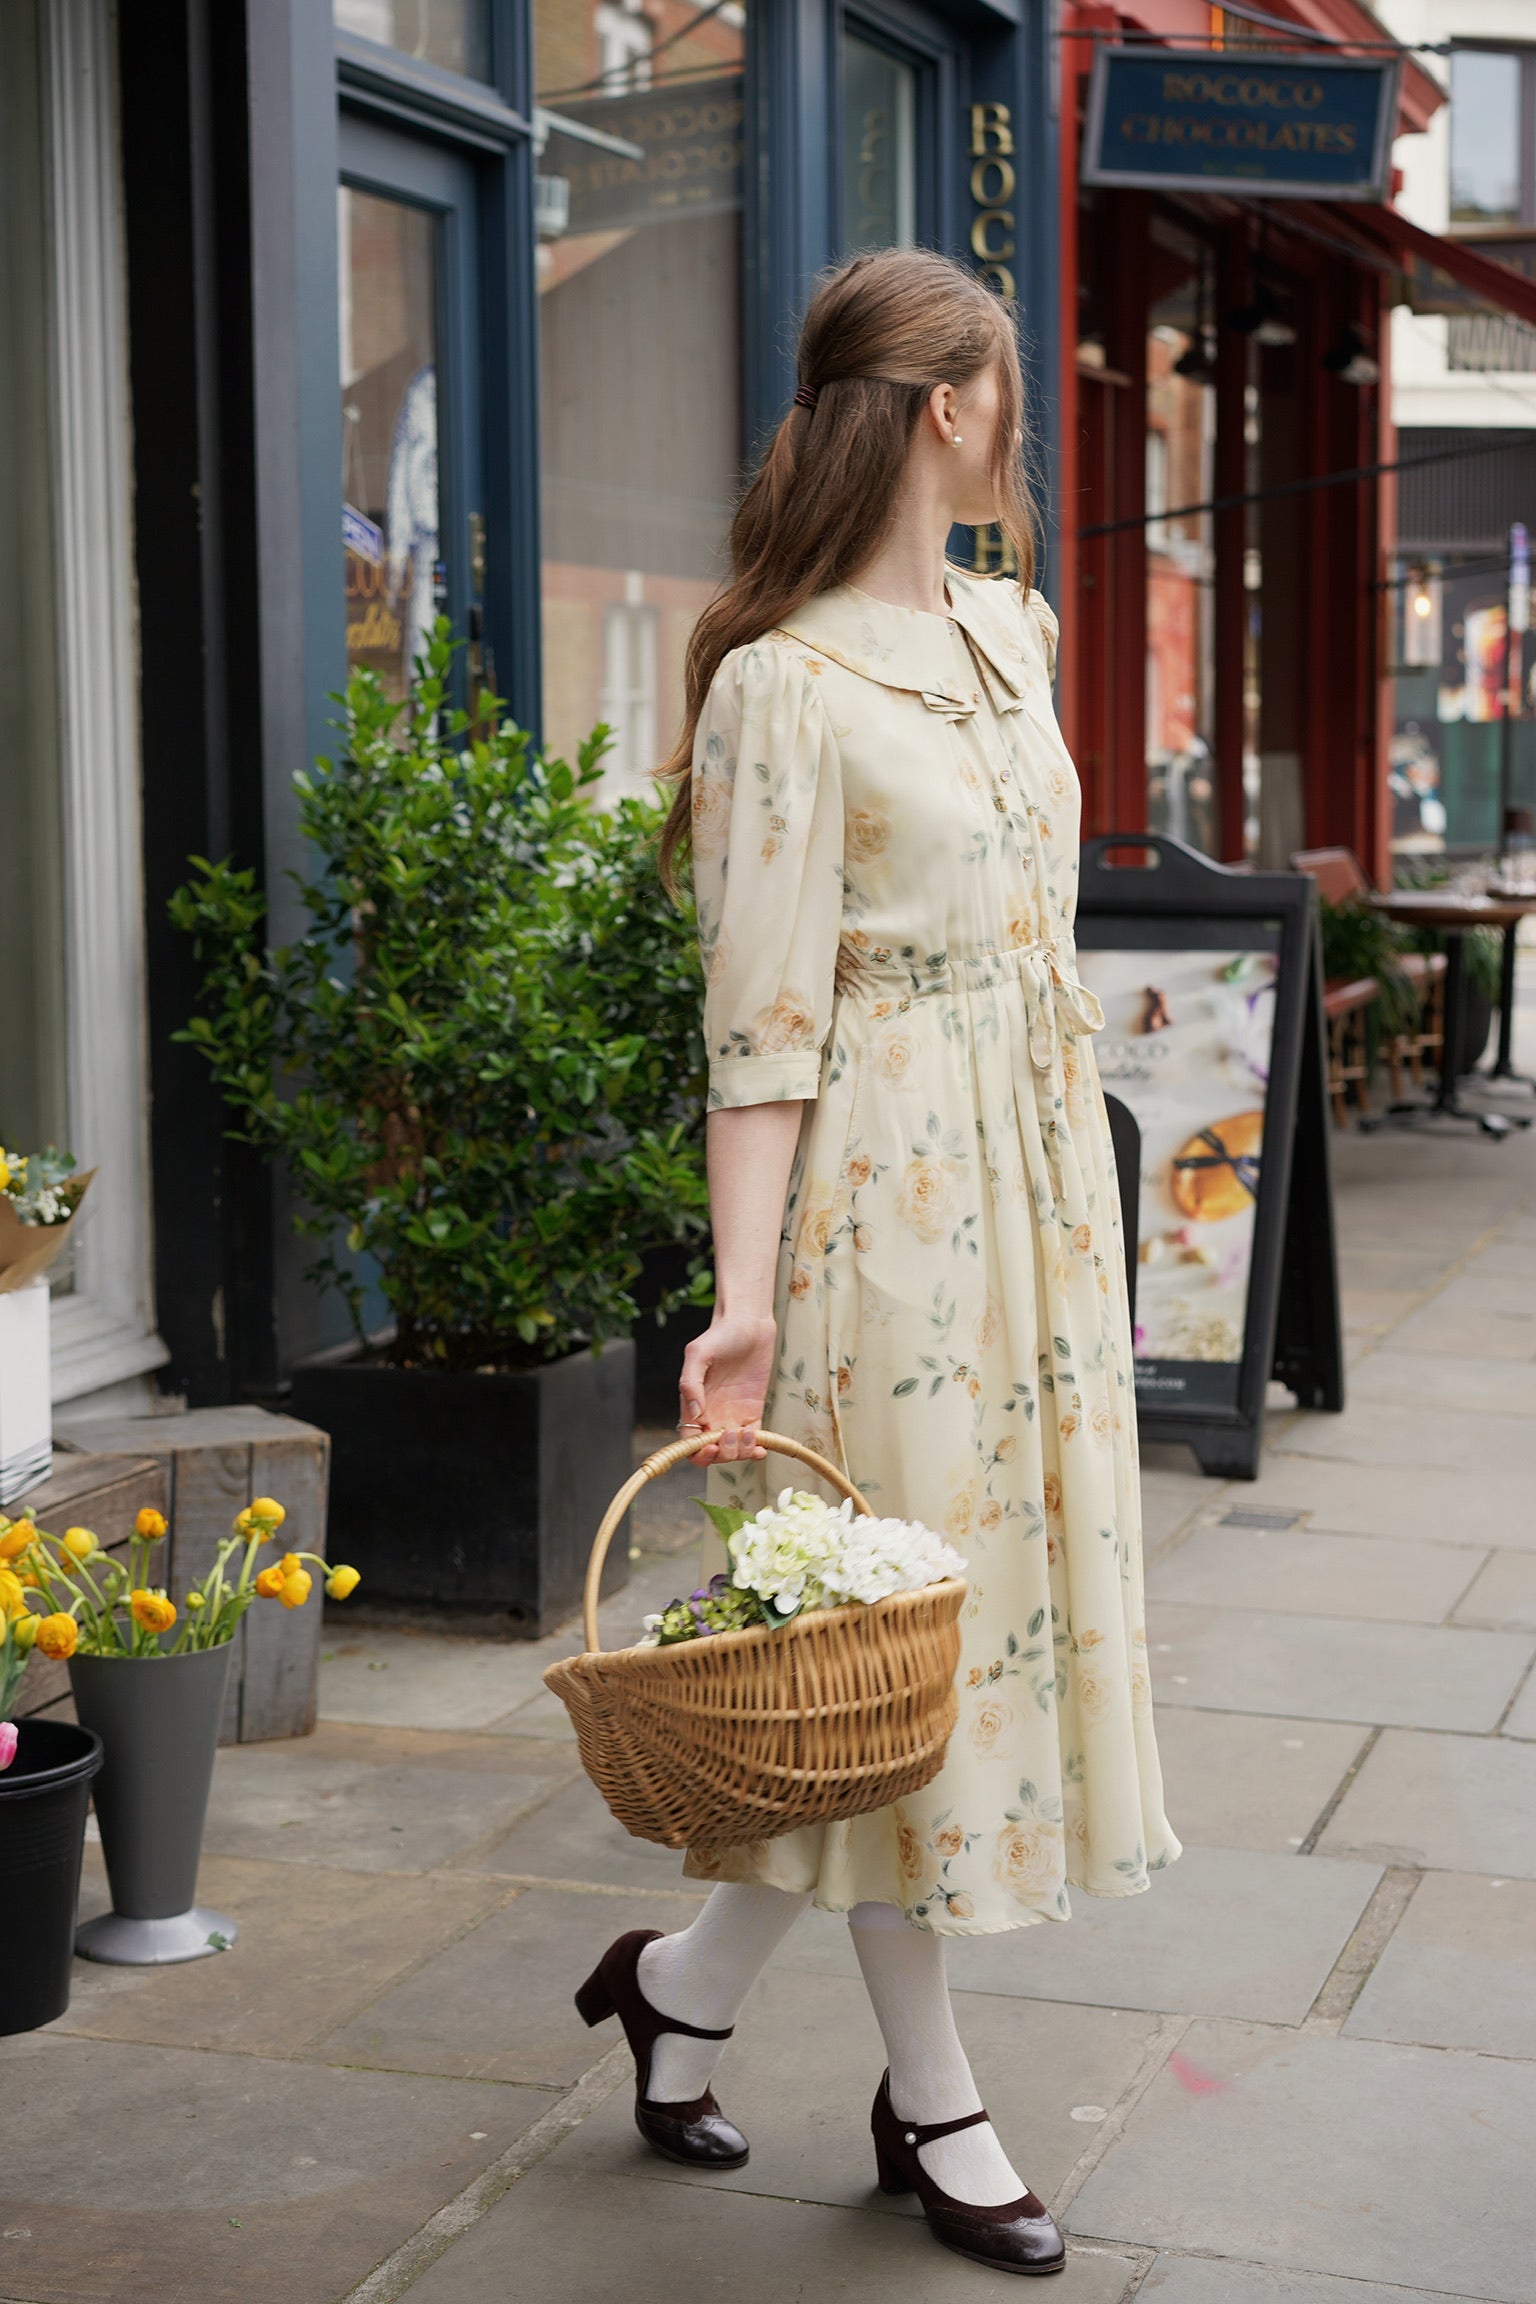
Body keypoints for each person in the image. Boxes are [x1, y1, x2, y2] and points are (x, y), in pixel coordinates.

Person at [573, 247, 1181, 2279]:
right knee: (905, 1660)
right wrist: (741, 1301)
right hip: (889, 1216)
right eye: (1008, 391)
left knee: (937, 1657)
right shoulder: (785, 685)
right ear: (949, 408)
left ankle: (679, 1989)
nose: (1022, 426)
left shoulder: (1012, 630)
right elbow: (759, 1030)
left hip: (1037, 1198)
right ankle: (937, 2101)